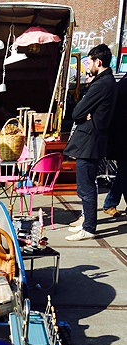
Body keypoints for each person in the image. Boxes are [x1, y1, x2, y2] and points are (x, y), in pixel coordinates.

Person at [64, 44, 117, 241]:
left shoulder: (101, 84)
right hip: (94, 138)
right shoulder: (107, 82)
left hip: (90, 141)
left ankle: (89, 227)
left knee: (86, 186)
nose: (87, 67)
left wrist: (85, 113)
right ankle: (87, 221)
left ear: (98, 62)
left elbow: (77, 112)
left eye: (89, 62)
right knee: (86, 184)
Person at [102, 73, 127, 218]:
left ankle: (110, 202)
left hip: (120, 138)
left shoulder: (122, 83)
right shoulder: (124, 85)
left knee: (123, 172)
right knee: (124, 171)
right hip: (122, 138)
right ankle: (110, 203)